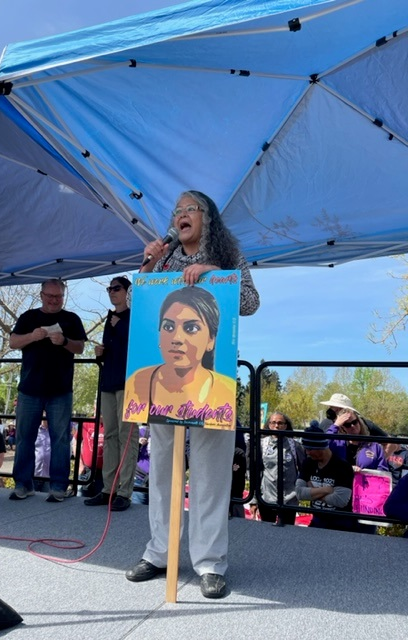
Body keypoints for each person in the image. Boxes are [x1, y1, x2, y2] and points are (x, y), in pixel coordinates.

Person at [125, 190, 260, 599]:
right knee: (163, 472)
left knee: (211, 477)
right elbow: (135, 301)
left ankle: (210, 563)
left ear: (207, 218)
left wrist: (215, 273)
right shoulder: (163, 258)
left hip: (210, 390)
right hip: (163, 392)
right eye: (177, 210)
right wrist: (147, 262)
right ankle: (159, 553)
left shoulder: (227, 253)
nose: (181, 215)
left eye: (190, 209)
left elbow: (251, 302)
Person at [9, 278, 87, 502]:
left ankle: (59, 487)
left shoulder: (71, 319)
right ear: (41, 295)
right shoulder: (28, 317)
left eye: (58, 297)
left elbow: (80, 347)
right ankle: (23, 484)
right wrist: (31, 337)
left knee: (60, 439)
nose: (54, 300)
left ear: (63, 297)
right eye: (50, 296)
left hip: (60, 390)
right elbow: (13, 342)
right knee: (24, 438)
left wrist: (63, 341)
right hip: (29, 389)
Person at [124, 286, 236, 430]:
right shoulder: (138, 382)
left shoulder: (226, 390)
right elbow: (133, 299)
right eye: (169, 327)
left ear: (211, 340)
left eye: (191, 328)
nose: (177, 339)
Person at [84, 276, 138, 512]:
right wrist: (100, 354)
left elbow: (139, 345)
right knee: (110, 436)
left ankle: (125, 492)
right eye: (109, 288)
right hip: (109, 381)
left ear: (128, 291)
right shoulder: (110, 318)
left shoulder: (135, 316)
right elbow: (113, 351)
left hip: (129, 382)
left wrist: (120, 325)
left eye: (116, 288)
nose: (111, 292)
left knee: (128, 436)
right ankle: (108, 489)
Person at [249, 412, 305, 525]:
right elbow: (256, 473)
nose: (276, 426)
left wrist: (301, 491)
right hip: (267, 499)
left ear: (285, 425)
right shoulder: (262, 445)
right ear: (269, 424)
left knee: (287, 533)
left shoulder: (295, 445)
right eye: (273, 422)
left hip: (289, 500)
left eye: (280, 423)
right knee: (267, 532)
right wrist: (254, 500)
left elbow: (304, 470)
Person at [296, 425, 354, 531]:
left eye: (310, 449)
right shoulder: (308, 463)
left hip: (341, 523)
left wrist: (312, 491)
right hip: (317, 520)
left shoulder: (342, 466)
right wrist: (327, 490)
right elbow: (300, 493)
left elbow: (340, 500)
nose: (307, 453)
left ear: (321, 447)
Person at [319, 392, 386, 436]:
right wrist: (336, 426)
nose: (352, 426)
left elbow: (391, 444)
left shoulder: (365, 424)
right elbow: (322, 446)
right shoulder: (325, 424)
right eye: (331, 407)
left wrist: (379, 457)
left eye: (338, 408)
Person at [34, 416, 51, 492]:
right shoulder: (34, 430)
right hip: (34, 474)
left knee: (46, 502)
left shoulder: (55, 432)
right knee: (30, 501)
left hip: (49, 476)